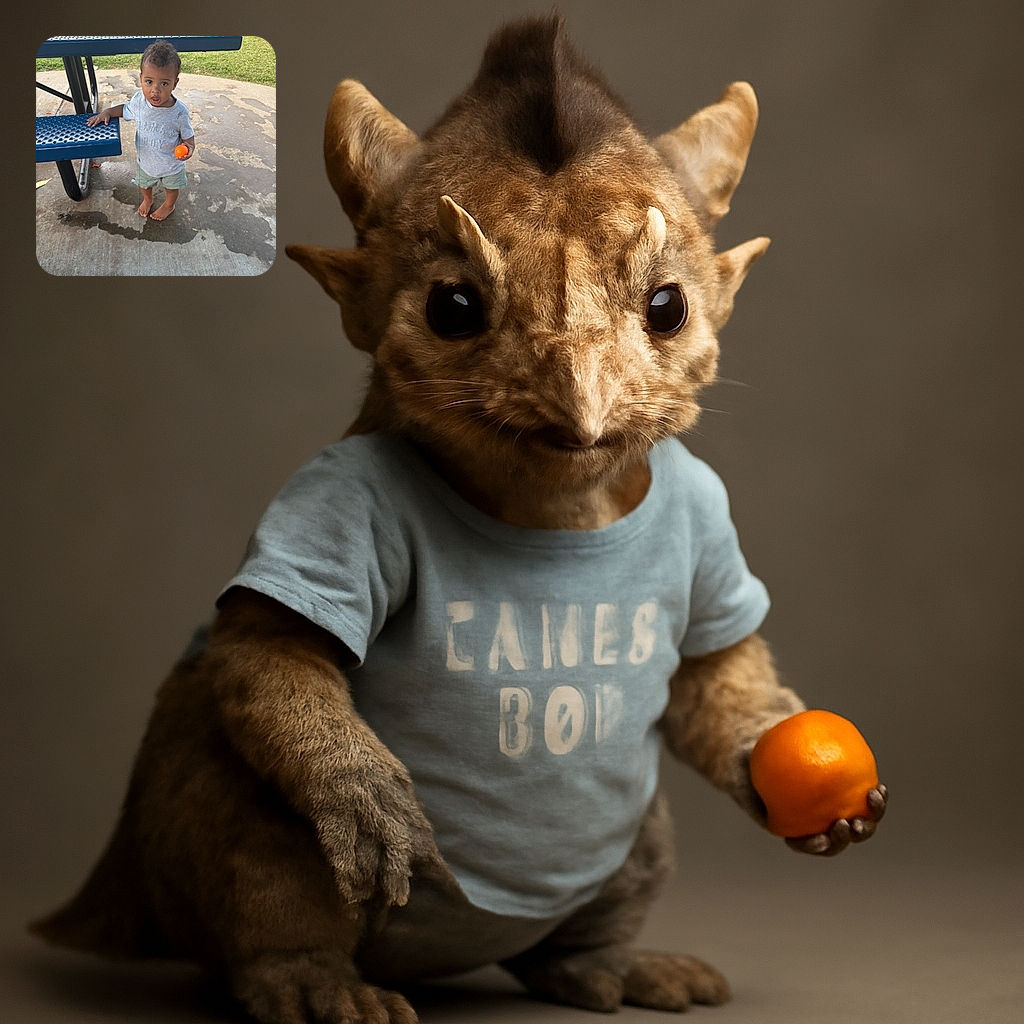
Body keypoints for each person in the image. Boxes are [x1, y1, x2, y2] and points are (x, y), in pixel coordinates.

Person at [87, 40, 195, 220]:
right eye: (149, 81)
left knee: (172, 188)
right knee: (144, 185)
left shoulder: (179, 113)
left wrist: (189, 149)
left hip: (171, 164)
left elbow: (189, 139)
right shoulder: (139, 102)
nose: (155, 90)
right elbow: (124, 109)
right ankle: (148, 199)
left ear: (175, 83)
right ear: (141, 79)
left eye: (164, 84)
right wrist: (107, 112)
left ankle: (169, 205)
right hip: (146, 161)